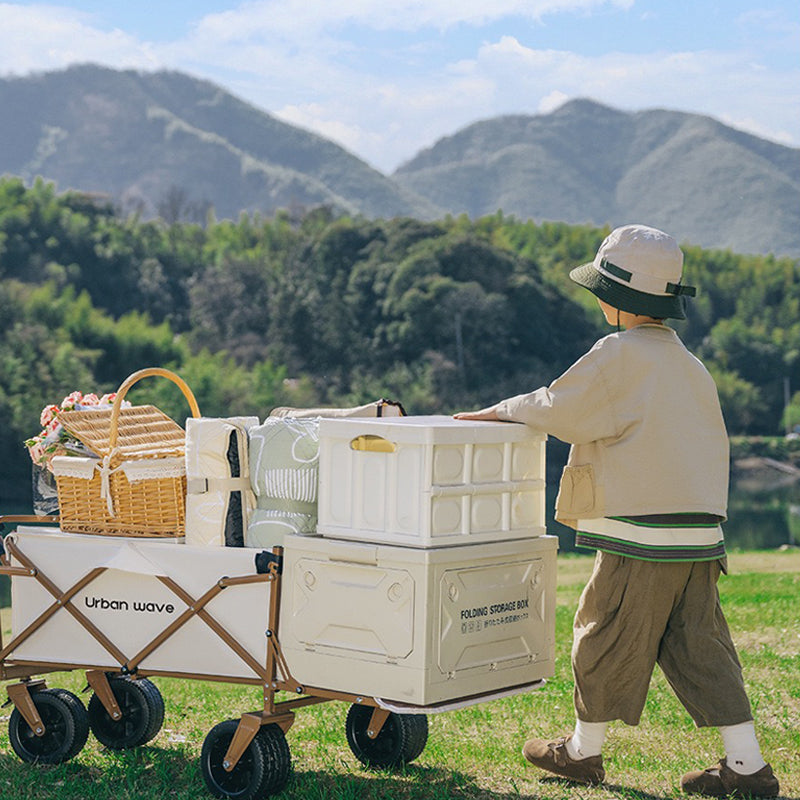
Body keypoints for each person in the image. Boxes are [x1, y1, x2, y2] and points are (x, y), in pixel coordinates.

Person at [454, 224, 779, 797]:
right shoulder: (690, 365)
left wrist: (496, 412)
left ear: (618, 299)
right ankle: (748, 767)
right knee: (701, 644)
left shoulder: (618, 356)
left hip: (642, 536)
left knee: (600, 632)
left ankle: (582, 752)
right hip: (699, 537)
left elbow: (560, 408)